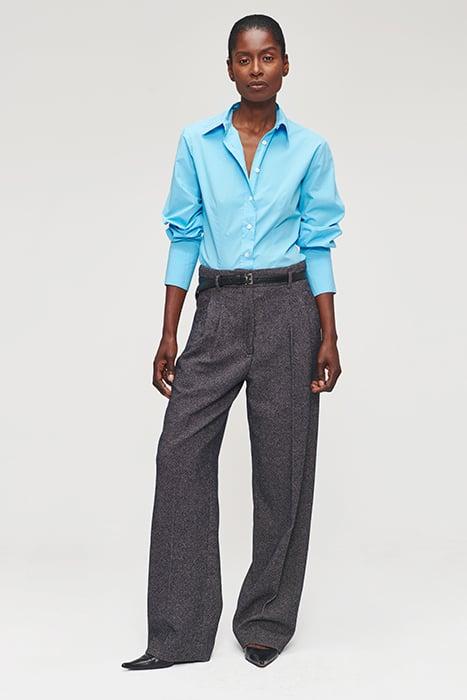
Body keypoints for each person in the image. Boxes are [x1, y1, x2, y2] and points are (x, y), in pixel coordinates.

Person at [122, 13, 345, 671]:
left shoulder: (310, 149)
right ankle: (178, 633)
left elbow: (318, 242)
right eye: (244, 58)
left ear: (285, 64)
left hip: (288, 307)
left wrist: (329, 334)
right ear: (228, 68)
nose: (256, 69)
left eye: (267, 56)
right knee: (180, 456)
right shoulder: (197, 142)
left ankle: (265, 621)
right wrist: (169, 331)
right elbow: (184, 234)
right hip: (216, 307)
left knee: (283, 467)